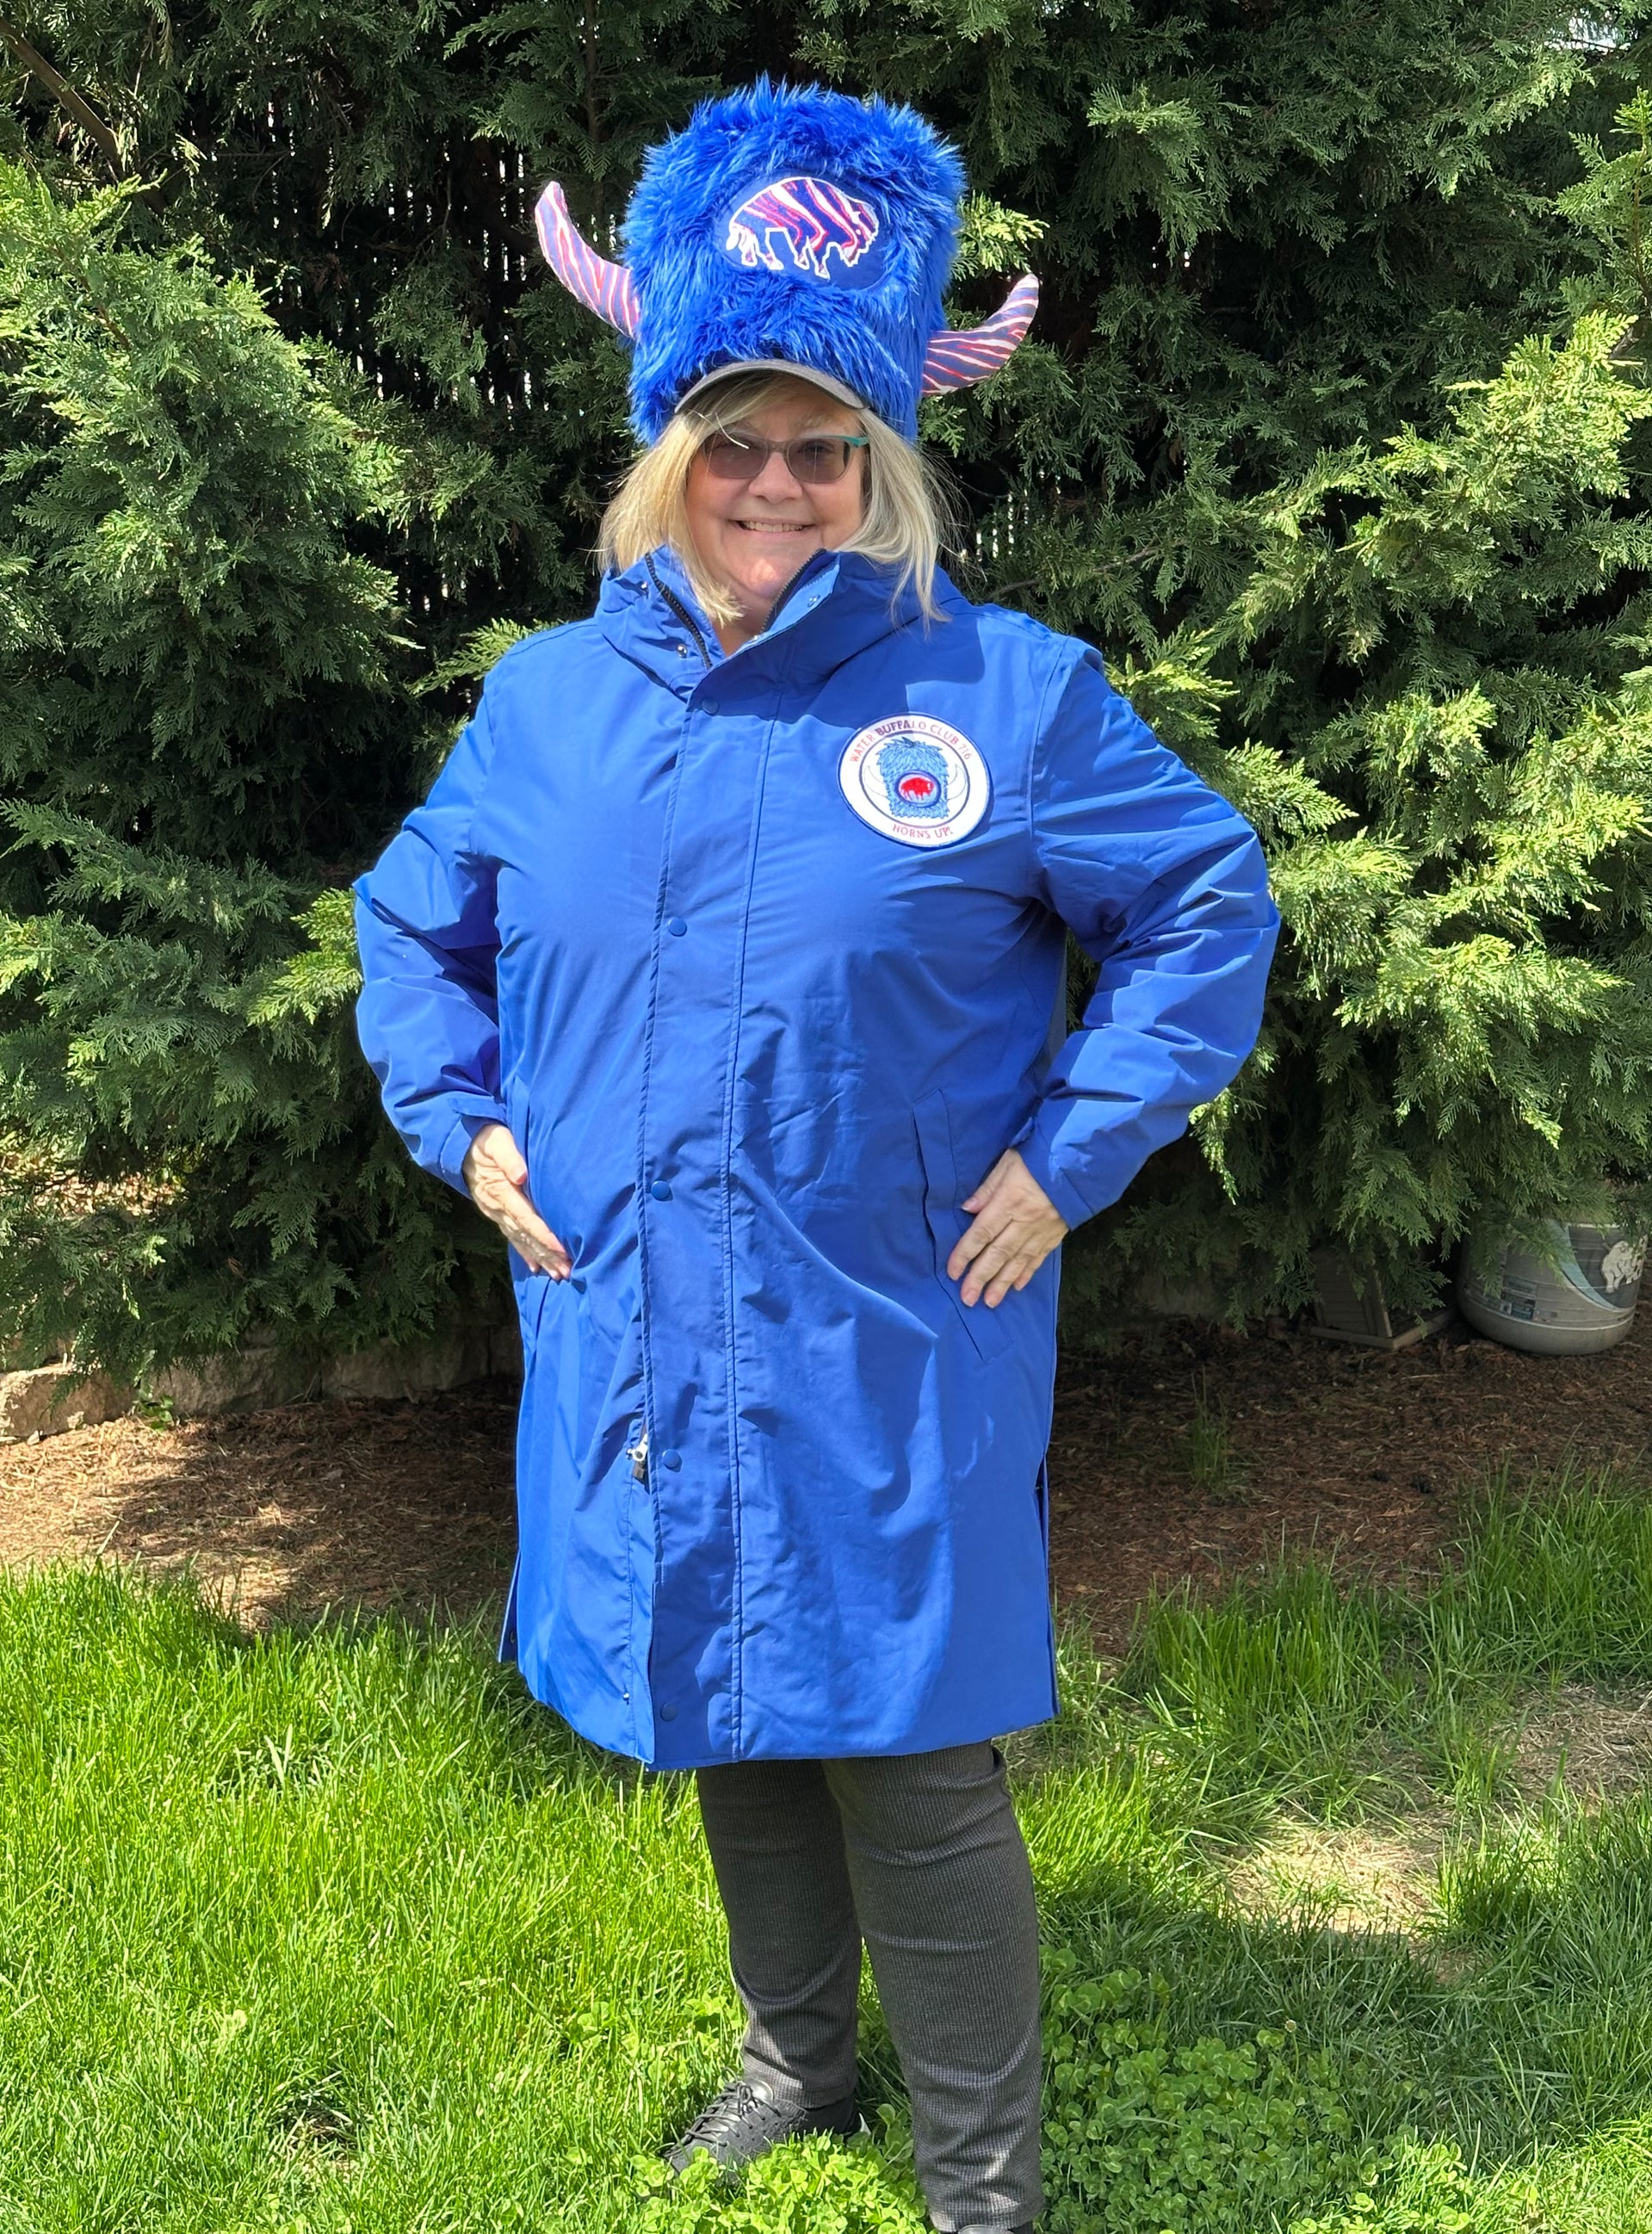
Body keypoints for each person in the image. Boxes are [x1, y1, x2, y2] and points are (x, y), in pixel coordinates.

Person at [353, 79, 1279, 2234]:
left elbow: (1206, 906)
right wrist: (470, 1126)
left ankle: (980, 2185)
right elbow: (416, 924)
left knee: (910, 1755)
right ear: (667, 454)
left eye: (821, 446)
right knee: (728, 1706)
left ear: (881, 462)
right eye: (734, 441)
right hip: (637, 1310)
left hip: (885, 1322)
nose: (774, 483)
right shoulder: (547, 703)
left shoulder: (1006, 693)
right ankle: (795, 2057)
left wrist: (1070, 1154)